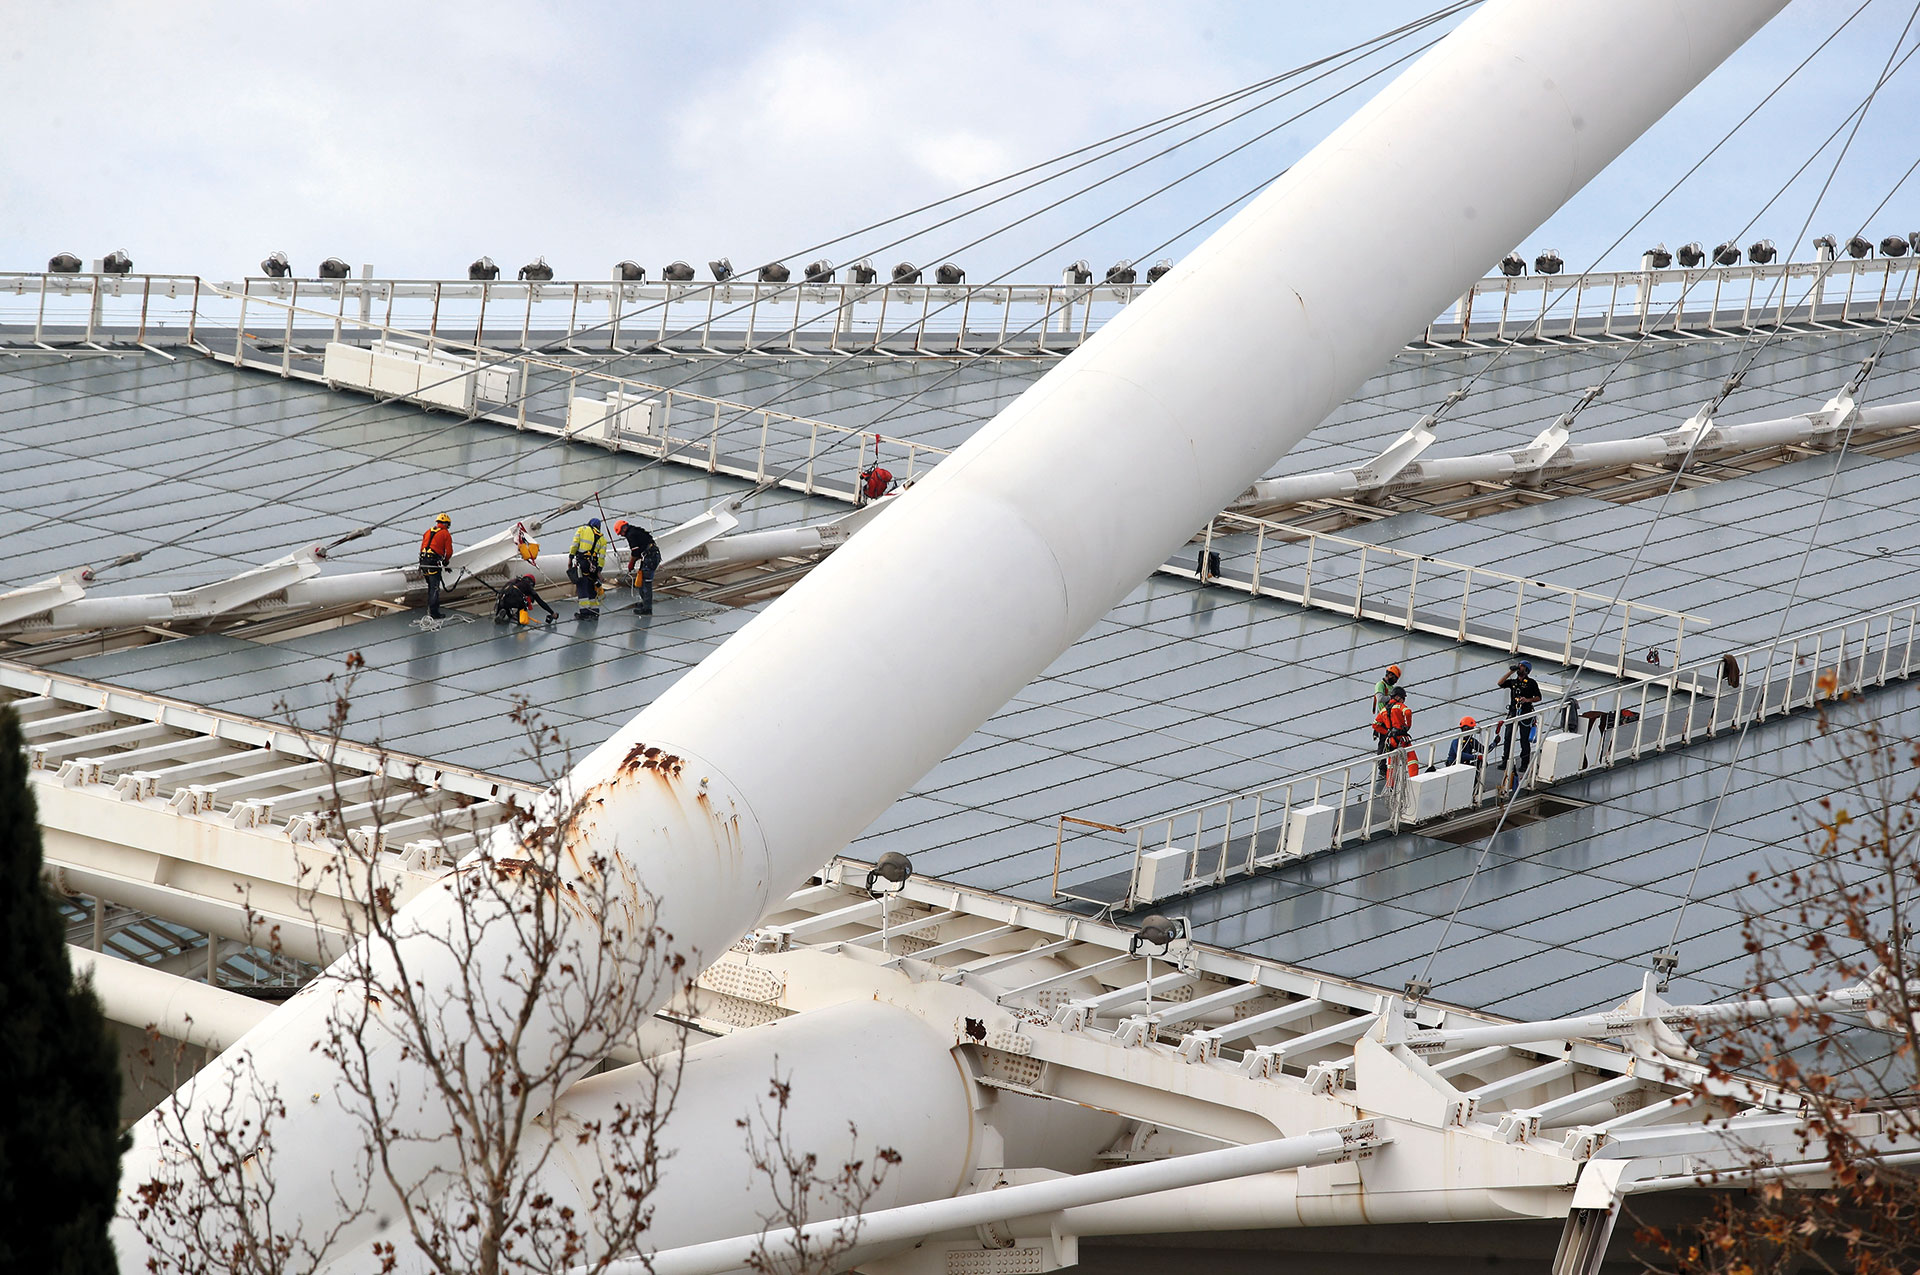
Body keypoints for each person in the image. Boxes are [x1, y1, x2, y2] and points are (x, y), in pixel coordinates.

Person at [1496, 659, 1543, 773]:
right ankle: (1505, 760)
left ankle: (1524, 763)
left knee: (1524, 739)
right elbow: (1500, 683)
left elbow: (1538, 697)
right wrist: (1510, 672)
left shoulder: (1531, 683)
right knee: (1508, 737)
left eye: (1521, 666)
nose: (1519, 667)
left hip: (1525, 713)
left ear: (1526, 670)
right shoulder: (1513, 682)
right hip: (1513, 712)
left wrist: (1527, 700)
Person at [614, 517, 661, 616]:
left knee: (646, 583)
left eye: (621, 534)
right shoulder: (635, 530)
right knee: (641, 581)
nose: (622, 536)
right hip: (651, 556)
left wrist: (631, 564)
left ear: (623, 529)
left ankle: (647, 608)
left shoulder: (631, 535)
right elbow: (642, 546)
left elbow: (635, 552)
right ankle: (645, 603)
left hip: (650, 558)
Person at [568, 517, 610, 619]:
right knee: (592, 588)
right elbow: (602, 557)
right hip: (594, 566)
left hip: (583, 563)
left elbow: (574, 545)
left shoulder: (582, 530)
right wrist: (599, 571)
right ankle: (594, 611)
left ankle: (585, 613)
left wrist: (570, 558)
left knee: (582, 586)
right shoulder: (602, 539)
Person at [418, 513, 452, 619]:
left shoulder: (428, 532)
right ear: (446, 524)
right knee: (435, 588)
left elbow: (423, 546)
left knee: (430, 587)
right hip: (433, 563)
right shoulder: (445, 534)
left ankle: (430, 609)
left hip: (423, 562)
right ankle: (434, 613)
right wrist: (446, 562)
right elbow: (449, 552)